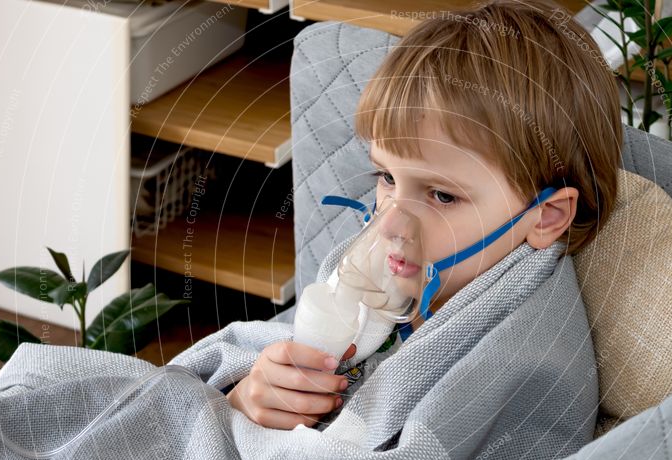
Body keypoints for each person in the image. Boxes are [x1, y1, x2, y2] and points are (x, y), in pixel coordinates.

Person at [226, 0, 621, 430]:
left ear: (545, 217)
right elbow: (236, 371)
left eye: (442, 196)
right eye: (387, 177)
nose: (391, 224)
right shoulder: (395, 282)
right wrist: (244, 398)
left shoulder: (514, 371)